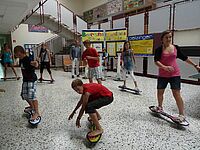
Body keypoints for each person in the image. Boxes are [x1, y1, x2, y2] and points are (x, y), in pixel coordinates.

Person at [152, 30, 200, 123]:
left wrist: (195, 65)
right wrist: (164, 67)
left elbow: (184, 58)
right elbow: (156, 61)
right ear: (162, 39)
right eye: (166, 37)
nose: (169, 39)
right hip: (162, 75)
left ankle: (182, 114)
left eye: (170, 37)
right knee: (160, 92)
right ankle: (160, 106)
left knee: (176, 94)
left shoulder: (175, 48)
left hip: (175, 75)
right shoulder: (159, 49)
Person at [14, 45, 41, 122]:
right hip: (25, 80)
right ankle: (32, 107)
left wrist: (36, 63)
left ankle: (37, 112)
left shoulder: (27, 59)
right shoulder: (21, 59)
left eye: (19, 55)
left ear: (23, 52)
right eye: (17, 55)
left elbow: (34, 63)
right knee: (24, 95)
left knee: (32, 96)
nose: (19, 57)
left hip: (32, 80)